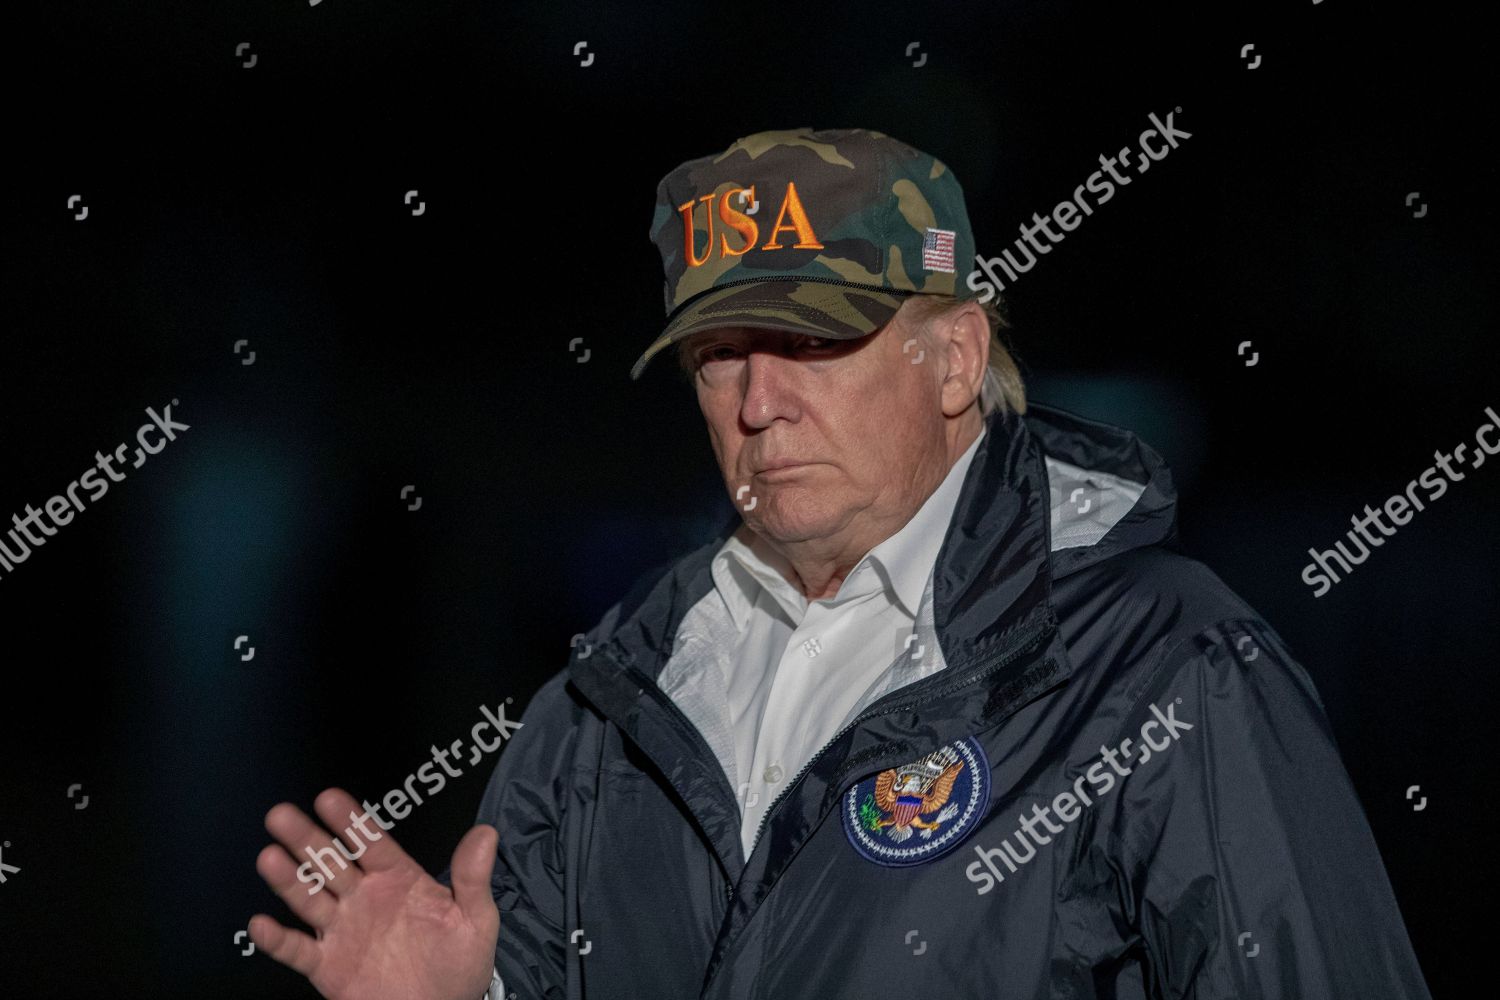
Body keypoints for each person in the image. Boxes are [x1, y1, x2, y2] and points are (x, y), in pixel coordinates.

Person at [249, 127, 1432, 999]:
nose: (759, 401)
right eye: (721, 353)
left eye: (814, 339)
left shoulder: (1167, 671)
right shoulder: (605, 710)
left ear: (954, 357)